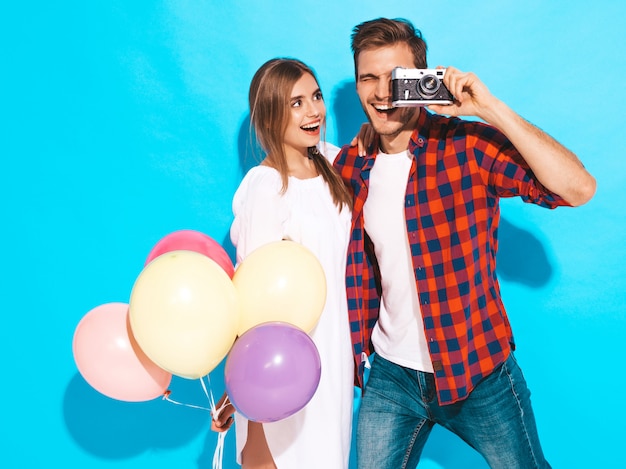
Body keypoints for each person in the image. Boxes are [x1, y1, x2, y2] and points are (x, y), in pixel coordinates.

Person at [333, 17, 596, 469]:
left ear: (422, 78)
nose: (381, 93)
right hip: (391, 376)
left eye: (396, 79)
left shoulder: (466, 145)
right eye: (368, 78)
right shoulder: (353, 167)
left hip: (477, 368)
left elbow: (578, 189)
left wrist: (489, 109)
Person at [212, 58, 354, 469]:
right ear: (271, 115)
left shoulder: (335, 162)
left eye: (316, 96)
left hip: (332, 353)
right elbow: (255, 296)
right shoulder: (266, 187)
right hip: (282, 362)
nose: (314, 111)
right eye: (296, 103)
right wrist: (238, 389)